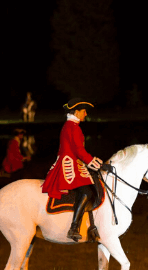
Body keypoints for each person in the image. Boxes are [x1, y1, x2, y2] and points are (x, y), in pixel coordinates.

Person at [41, 98, 103, 242]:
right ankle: (74, 227)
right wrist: (94, 162)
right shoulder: (73, 127)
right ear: (76, 112)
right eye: (83, 111)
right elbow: (79, 151)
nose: (86, 114)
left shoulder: (71, 126)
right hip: (70, 165)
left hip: (76, 163)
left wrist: (93, 161)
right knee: (87, 192)